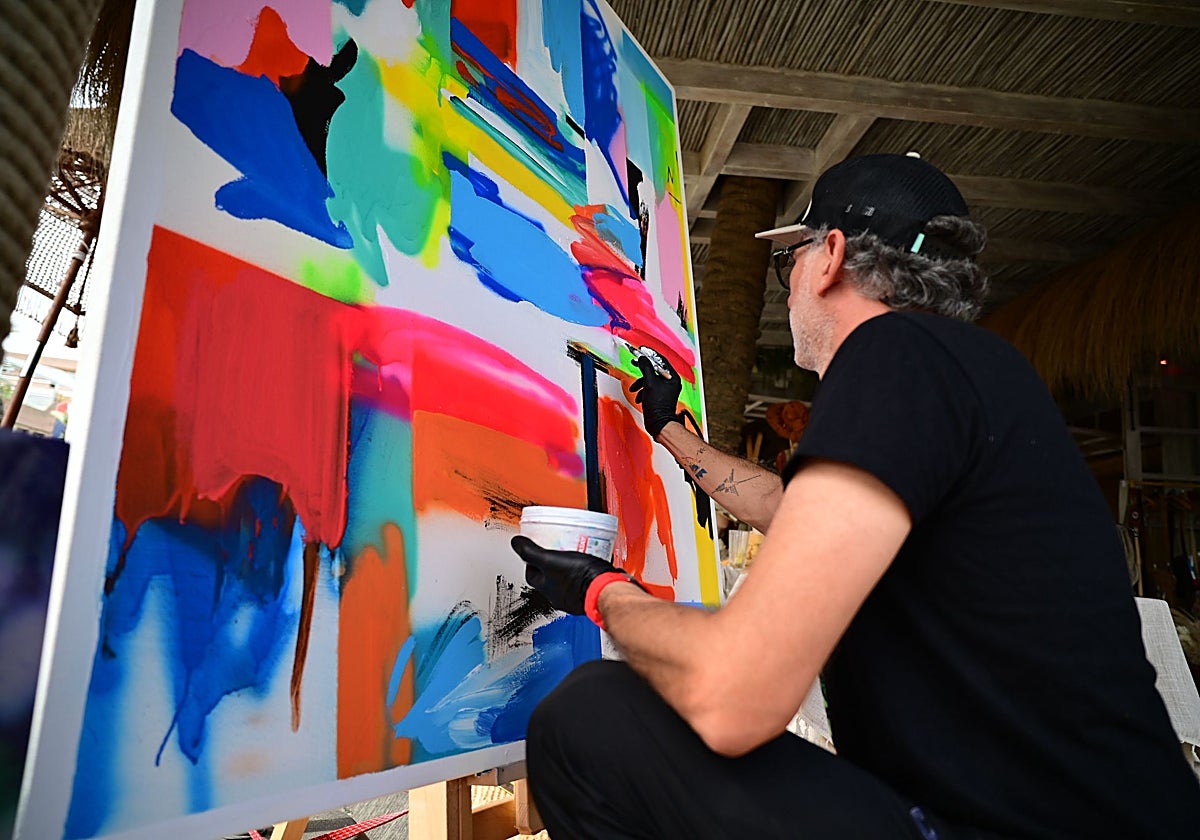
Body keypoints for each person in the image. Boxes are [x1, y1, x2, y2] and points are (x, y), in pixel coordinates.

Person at [510, 153, 1200, 838]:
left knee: (588, 719)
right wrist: (669, 431)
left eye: (790, 263)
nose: (788, 289)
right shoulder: (969, 369)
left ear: (832, 254)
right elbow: (796, 512)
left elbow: (733, 697)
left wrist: (604, 593)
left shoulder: (893, 351)